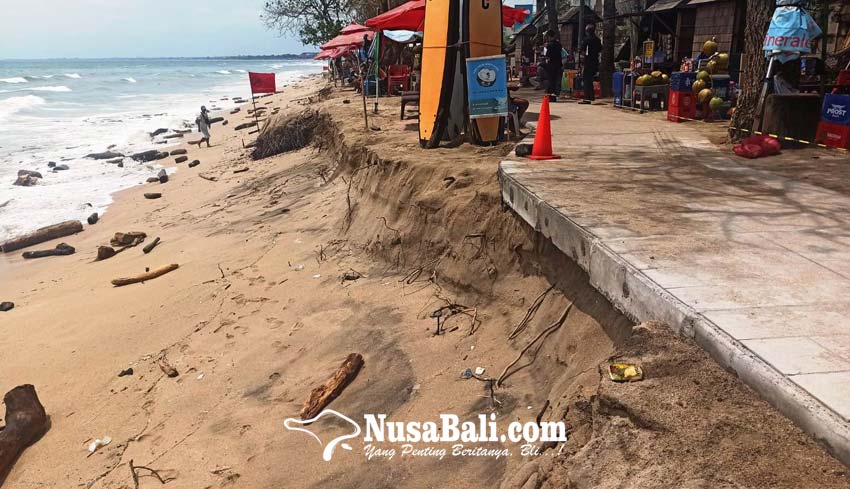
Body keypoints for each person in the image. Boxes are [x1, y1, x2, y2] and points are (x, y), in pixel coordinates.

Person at [579, 24, 602, 104]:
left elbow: (583, 52)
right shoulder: (597, 40)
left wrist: (582, 63)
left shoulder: (586, 40)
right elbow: (600, 50)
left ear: (587, 31)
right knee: (590, 80)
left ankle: (587, 98)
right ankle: (591, 96)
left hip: (588, 62)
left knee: (586, 80)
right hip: (595, 62)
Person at [544, 30, 563, 101]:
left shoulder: (549, 45)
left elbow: (547, 56)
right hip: (558, 64)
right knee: (557, 81)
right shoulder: (559, 44)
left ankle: (551, 96)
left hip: (551, 65)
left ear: (549, 37)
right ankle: (556, 95)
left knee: (551, 80)